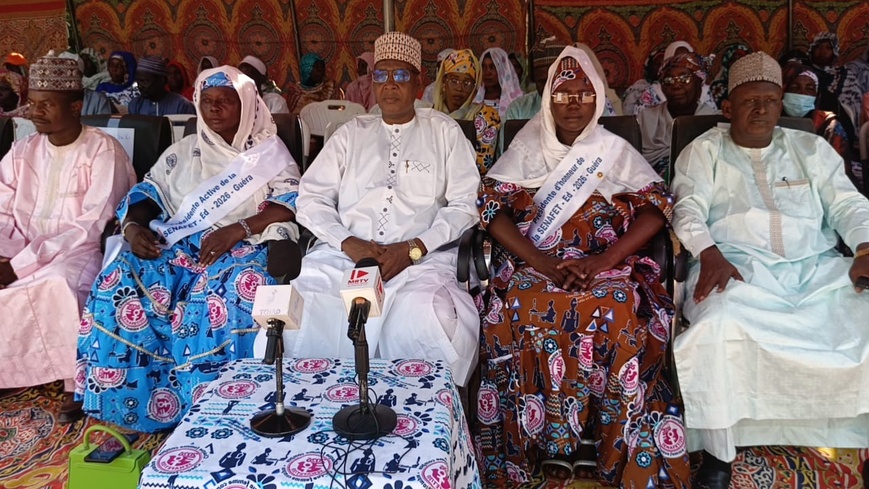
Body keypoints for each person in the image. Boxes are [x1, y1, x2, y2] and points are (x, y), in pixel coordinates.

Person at [476, 45, 690, 488]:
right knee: (522, 304)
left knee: (618, 307)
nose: (573, 103)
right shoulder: (526, 145)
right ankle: (550, 442)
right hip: (536, 261)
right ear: (547, 99)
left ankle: (604, 441)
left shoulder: (613, 149)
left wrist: (604, 260)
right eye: (562, 93)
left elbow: (656, 205)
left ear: (598, 98)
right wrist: (543, 262)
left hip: (606, 263)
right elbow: (490, 205)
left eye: (583, 93)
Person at [670, 51, 869, 489]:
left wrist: (864, 246)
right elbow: (686, 207)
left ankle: (858, 440)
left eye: (770, 100)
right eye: (749, 101)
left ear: (781, 105)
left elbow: (848, 204)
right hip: (737, 271)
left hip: (817, 272)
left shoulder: (809, 148)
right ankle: (719, 456)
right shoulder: (704, 151)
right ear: (728, 107)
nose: (761, 110)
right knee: (717, 325)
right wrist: (709, 252)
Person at [75, 66, 302, 432]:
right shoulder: (183, 151)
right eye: (208, 101)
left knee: (218, 297)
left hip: (243, 245)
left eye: (225, 102)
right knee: (119, 278)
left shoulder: (268, 152)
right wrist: (133, 228)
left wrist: (237, 229)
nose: (214, 109)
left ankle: (217, 413)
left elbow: (290, 201)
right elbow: (148, 193)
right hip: (180, 242)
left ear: (246, 105)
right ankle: (137, 408)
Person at [260, 32, 480, 388]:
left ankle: (423, 417)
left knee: (426, 316)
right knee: (300, 310)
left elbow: (464, 205)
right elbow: (310, 199)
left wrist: (414, 249)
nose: (389, 86)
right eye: (381, 75)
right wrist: (348, 242)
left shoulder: (445, 132)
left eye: (400, 75)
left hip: (419, 262)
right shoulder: (350, 134)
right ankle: (316, 407)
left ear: (419, 83)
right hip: (343, 258)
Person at [0, 54, 135, 423]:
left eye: (46, 105)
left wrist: (20, 265)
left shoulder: (103, 150)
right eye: (33, 103)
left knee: (59, 283)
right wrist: (6, 256)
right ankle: (12, 368)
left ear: (75, 106)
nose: (35, 112)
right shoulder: (23, 150)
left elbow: (91, 225)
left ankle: (76, 380)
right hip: (19, 248)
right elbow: (2, 209)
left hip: (79, 252)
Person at [637, 52, 720, 179]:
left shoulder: (712, 120)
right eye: (668, 80)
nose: (676, 86)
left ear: (698, 84)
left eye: (684, 79)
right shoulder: (646, 118)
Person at [781, 61, 857, 184]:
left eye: (810, 88)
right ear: (782, 90)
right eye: (794, 88)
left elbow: (838, 173)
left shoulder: (828, 125)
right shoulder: (768, 121)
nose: (802, 93)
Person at [433, 49, 501, 174]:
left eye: (467, 83)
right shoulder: (428, 114)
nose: (459, 88)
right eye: (454, 81)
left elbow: (482, 165)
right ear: (443, 81)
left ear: (475, 88)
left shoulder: (486, 116)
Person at [808, 32, 861, 126]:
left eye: (828, 48)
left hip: (839, 125)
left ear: (835, 51)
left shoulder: (846, 75)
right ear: (812, 49)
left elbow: (855, 108)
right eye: (818, 47)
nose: (823, 51)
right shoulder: (804, 73)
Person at [128, 57, 196, 116]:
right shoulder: (135, 104)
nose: (140, 86)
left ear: (162, 80)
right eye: (138, 81)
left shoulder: (181, 105)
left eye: (145, 81)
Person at [474, 47, 524, 118]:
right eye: (484, 67)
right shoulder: (474, 99)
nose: (487, 73)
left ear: (503, 69)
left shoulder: (518, 101)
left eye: (492, 67)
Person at [58, 51, 112, 116]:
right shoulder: (53, 100)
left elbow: (104, 124)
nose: (68, 79)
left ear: (81, 76)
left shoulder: (98, 99)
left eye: (73, 74)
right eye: (63, 75)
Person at [622, 46, 665, 115]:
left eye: (663, 64)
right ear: (650, 67)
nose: (660, 67)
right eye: (657, 64)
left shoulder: (672, 90)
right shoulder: (638, 88)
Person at [708, 43, 752, 109]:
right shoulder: (718, 86)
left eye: (742, 60)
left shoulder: (755, 84)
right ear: (727, 62)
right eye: (734, 59)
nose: (738, 63)